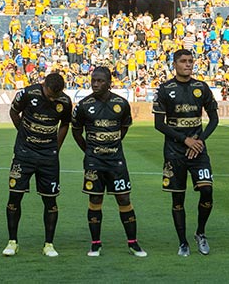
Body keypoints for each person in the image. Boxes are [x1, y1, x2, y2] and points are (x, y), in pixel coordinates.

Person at [71, 67, 147, 258]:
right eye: (93, 80)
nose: (95, 84)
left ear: (109, 83)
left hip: (116, 161)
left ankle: (133, 243)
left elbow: (124, 127)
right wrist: (89, 150)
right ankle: (95, 244)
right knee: (95, 199)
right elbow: (76, 131)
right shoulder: (83, 105)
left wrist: (112, 145)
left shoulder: (121, 103)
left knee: (124, 199)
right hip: (94, 162)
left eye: (100, 81)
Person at [153, 48, 219, 256]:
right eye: (183, 61)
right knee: (177, 199)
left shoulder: (201, 87)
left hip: (198, 151)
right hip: (174, 152)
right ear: (175, 64)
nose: (188, 64)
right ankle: (183, 242)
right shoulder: (165, 89)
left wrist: (199, 141)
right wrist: (185, 140)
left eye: (191, 61)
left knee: (207, 191)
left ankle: (200, 232)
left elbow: (214, 119)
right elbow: (158, 124)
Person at [2, 73, 72, 257]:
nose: (52, 99)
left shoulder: (65, 101)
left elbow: (65, 124)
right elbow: (13, 112)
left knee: (50, 200)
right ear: (44, 85)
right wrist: (23, 133)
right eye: (49, 95)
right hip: (24, 154)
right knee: (15, 197)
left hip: (48, 157)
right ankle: (12, 242)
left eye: (55, 96)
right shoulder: (27, 93)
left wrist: (57, 145)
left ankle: (49, 244)